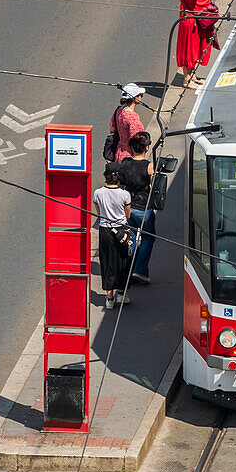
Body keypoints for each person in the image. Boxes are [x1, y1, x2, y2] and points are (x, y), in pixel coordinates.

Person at [177, 0, 217, 89]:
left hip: (200, 14)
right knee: (189, 46)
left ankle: (192, 75)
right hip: (190, 16)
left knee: (197, 45)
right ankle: (186, 79)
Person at [94, 163, 132, 308]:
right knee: (122, 261)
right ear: (119, 177)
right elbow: (127, 215)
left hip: (105, 230)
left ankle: (109, 297)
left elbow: (99, 212)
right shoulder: (125, 194)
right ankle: (121, 293)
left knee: (107, 261)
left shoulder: (98, 193)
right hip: (121, 230)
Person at [120, 131, 155, 285]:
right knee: (148, 237)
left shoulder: (125, 163)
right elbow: (153, 186)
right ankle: (140, 270)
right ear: (146, 148)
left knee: (131, 238)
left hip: (128, 207)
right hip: (144, 208)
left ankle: (128, 269)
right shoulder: (149, 166)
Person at [110, 83, 146, 162]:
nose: (141, 97)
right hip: (130, 156)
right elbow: (136, 140)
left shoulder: (119, 110)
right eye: (140, 95)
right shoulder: (133, 117)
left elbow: (112, 129)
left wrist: (122, 130)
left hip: (119, 153)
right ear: (134, 98)